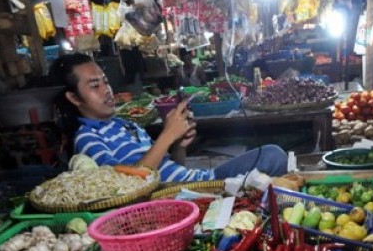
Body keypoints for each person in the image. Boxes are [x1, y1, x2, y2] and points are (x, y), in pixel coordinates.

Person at [50, 53, 288, 183]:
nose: (106, 90)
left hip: (198, 179)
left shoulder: (126, 124)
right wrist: (166, 135)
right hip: (189, 193)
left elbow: (168, 168)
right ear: (73, 97)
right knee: (272, 160)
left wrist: (178, 145)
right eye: (94, 85)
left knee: (272, 154)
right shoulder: (87, 139)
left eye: (106, 81)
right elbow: (126, 184)